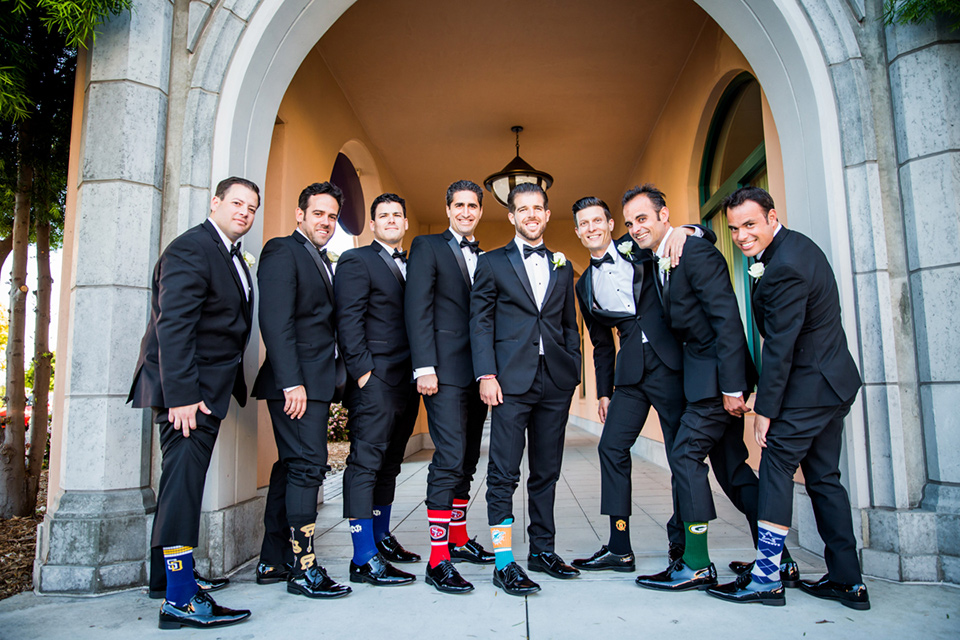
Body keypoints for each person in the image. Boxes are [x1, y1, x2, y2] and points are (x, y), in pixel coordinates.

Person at [621, 186, 796, 592]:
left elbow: (727, 320)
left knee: (684, 455)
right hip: (702, 380)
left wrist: (733, 386)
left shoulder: (694, 252)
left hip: (717, 381)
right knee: (733, 471)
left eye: (643, 218)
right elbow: (610, 244)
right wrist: (693, 228)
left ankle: (696, 563)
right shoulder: (659, 251)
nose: (635, 229)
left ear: (664, 214)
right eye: (629, 223)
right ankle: (778, 559)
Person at [706, 186, 869, 610]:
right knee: (823, 479)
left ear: (771, 218)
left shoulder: (783, 268)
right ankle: (848, 581)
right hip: (832, 385)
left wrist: (766, 410)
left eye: (750, 225)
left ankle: (766, 578)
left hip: (809, 389)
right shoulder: (798, 247)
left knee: (776, 467)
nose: (742, 236)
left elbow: (780, 346)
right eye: (735, 228)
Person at [128, 177, 259, 629]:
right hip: (189, 395)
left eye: (252, 207)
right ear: (216, 202)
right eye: (237, 203)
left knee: (177, 486)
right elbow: (174, 325)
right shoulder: (192, 248)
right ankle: (181, 600)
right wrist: (182, 396)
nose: (244, 212)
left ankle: (165, 581)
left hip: (201, 390)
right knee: (184, 488)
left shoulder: (226, 252)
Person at [570, 192, 711, 573]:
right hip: (630, 374)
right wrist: (602, 391)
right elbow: (600, 344)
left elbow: (703, 237)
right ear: (578, 233)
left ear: (610, 224)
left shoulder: (637, 245)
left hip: (671, 364)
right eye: (584, 225)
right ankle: (619, 547)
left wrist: (687, 229)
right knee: (611, 448)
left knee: (681, 454)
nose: (591, 228)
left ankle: (683, 543)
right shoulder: (583, 287)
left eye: (597, 220)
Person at [470, 183, 582, 596]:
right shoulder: (491, 262)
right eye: (523, 209)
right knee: (502, 473)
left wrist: (572, 369)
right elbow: (480, 321)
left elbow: (569, 323)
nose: (531, 215)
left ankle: (543, 550)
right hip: (508, 382)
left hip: (555, 380)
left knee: (547, 471)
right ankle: (503, 561)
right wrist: (486, 374)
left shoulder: (562, 264)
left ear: (547, 215)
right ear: (512, 217)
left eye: (538, 208)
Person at [251, 181, 352, 599]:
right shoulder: (282, 250)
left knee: (291, 466)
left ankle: (273, 560)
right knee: (310, 465)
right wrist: (292, 380)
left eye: (331, 216)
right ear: (300, 214)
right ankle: (303, 567)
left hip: (312, 382)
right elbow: (275, 321)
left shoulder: (320, 258)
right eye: (318, 214)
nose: (325, 222)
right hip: (294, 384)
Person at [405, 180, 495, 594]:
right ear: (448, 209)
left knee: (468, 459)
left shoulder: (488, 256)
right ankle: (437, 559)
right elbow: (417, 306)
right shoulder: (427, 247)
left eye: (472, 205)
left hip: (478, 373)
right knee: (449, 457)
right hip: (441, 371)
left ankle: (458, 538)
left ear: (480, 210)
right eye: (458, 205)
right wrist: (424, 367)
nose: (465, 211)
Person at [335, 193, 421, 588]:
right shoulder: (357, 260)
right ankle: (362, 555)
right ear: (372, 225)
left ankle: (382, 538)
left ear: (405, 224)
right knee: (365, 463)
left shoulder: (413, 265)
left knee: (390, 463)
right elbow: (348, 320)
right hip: (376, 379)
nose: (390, 220)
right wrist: (363, 373)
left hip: (408, 381)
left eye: (396, 215)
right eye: (383, 215)